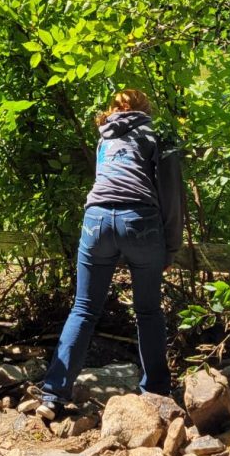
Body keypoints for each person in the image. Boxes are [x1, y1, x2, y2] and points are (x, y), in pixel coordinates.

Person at [36, 89, 184, 420]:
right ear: (146, 109)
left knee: (84, 308)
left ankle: (52, 395)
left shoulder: (105, 139)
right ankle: (157, 392)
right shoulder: (158, 134)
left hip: (96, 220)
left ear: (113, 110)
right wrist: (170, 246)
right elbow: (171, 193)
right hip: (140, 222)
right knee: (147, 311)